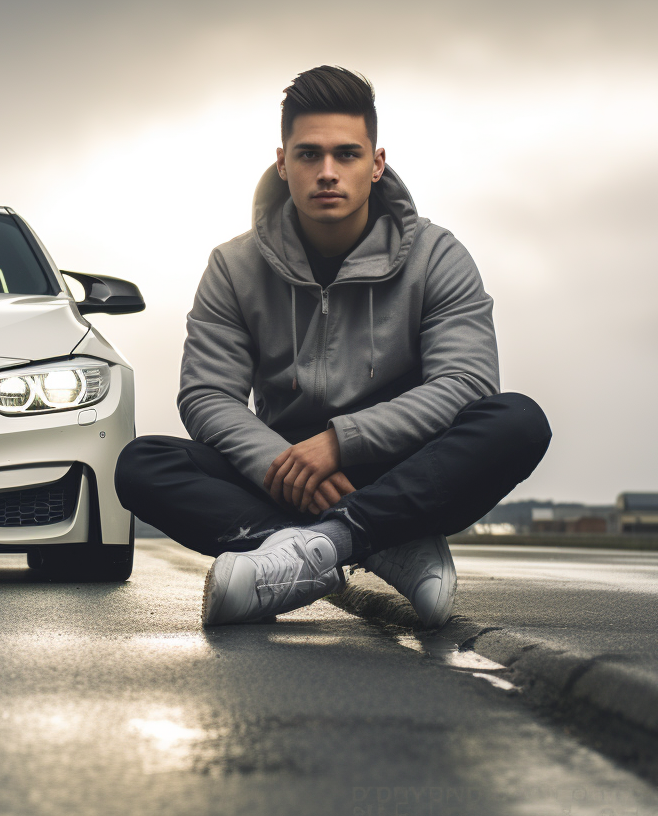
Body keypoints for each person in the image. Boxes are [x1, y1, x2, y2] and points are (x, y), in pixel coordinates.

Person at [115, 66, 551, 627]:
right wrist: (283, 462)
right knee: (141, 464)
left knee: (518, 421)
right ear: (282, 162)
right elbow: (206, 394)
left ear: (376, 163)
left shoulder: (438, 256)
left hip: (401, 471)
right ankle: (372, 542)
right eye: (308, 155)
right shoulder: (233, 266)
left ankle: (329, 540)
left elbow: (463, 384)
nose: (327, 172)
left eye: (346, 154)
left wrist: (339, 444)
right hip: (280, 475)